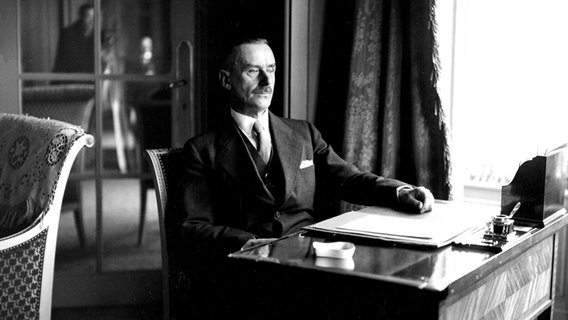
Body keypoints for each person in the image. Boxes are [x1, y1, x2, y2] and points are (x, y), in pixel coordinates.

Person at [179, 37, 434, 256]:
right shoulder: (202, 150)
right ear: (226, 80)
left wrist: (399, 192)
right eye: (253, 71)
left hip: (309, 257)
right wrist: (247, 243)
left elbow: (350, 180)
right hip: (249, 266)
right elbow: (193, 226)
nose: (267, 81)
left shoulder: (304, 134)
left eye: (272, 69)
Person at [52, 4, 95, 73]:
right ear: (81, 17)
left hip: (90, 79)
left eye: (94, 17)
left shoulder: (97, 35)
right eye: (88, 16)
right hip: (70, 77)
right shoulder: (68, 34)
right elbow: (71, 60)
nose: (92, 21)